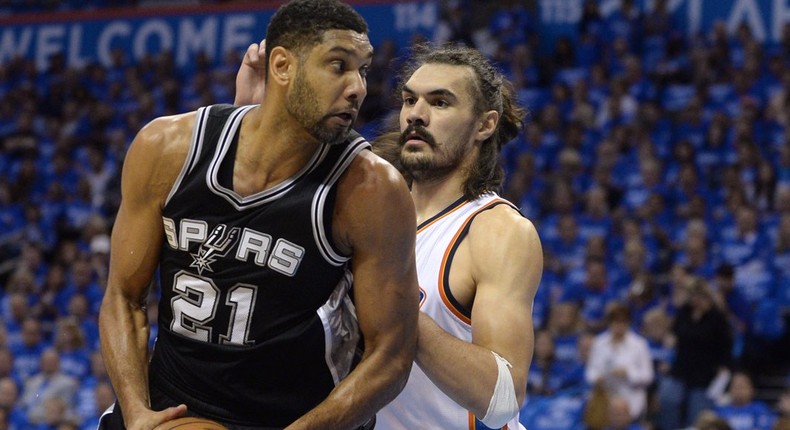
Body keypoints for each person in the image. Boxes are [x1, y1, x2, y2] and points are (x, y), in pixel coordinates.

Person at [98, 1, 420, 429]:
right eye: (338, 65)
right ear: (282, 66)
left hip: (295, 417)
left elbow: (391, 355)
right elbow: (124, 297)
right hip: (171, 406)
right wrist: (137, 412)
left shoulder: (371, 190)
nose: (357, 87)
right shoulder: (166, 149)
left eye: (362, 69)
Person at [239, 42, 541, 428]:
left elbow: (501, 401)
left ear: (485, 125)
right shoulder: (365, 209)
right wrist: (254, 122)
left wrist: (394, 309)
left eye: (440, 102)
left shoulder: (496, 230)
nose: (416, 114)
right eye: (409, 100)